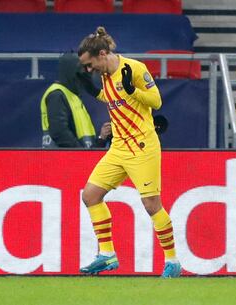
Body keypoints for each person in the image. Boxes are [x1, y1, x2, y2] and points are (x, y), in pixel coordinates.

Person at [77, 26, 181, 278]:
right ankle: (107, 254)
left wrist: (133, 90)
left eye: (90, 65)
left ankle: (172, 261)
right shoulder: (103, 75)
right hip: (119, 146)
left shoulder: (133, 69)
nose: (89, 70)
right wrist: (89, 88)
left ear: (102, 54)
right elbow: (114, 99)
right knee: (90, 195)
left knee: (151, 204)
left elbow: (156, 101)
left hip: (142, 146)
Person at [40, 53, 111, 148]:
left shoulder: (74, 97)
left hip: (77, 159)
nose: (88, 72)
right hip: (62, 160)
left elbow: (85, 143)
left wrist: (101, 138)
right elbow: (59, 132)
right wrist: (80, 154)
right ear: (73, 71)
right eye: (85, 68)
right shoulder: (57, 94)